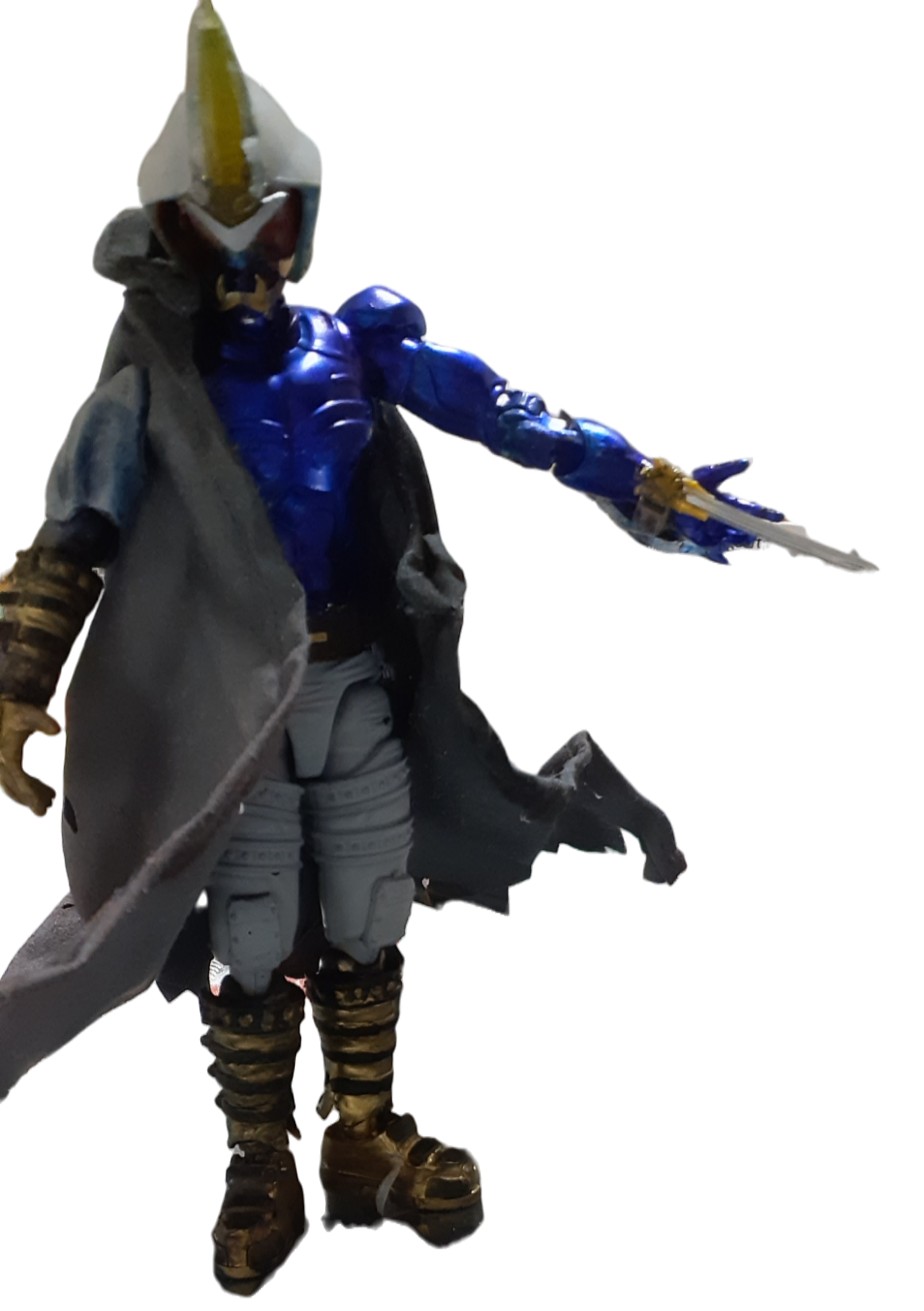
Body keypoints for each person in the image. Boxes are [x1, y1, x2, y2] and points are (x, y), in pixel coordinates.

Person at [0, 0, 799, 1295]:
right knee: (252, 933)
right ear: (173, 237)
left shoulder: (358, 348)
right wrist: (18, 681)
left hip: (367, 679)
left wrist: (644, 484)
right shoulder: (154, 384)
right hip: (237, 715)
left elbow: (513, 418)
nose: (247, 255)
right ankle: (258, 1161)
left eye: (269, 226)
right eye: (216, 230)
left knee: (372, 913)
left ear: (300, 222)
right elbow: (71, 538)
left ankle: (362, 1138)